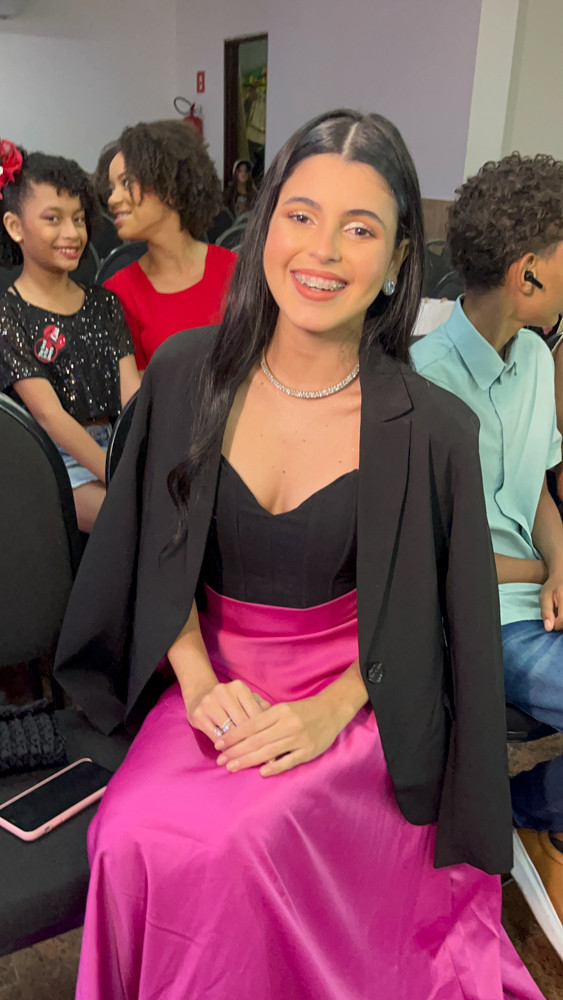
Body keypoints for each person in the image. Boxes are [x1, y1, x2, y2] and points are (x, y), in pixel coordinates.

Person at [54, 111, 544, 999]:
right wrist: (198, 683)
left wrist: (330, 713)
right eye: (301, 215)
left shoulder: (431, 429)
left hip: (361, 692)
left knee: (239, 840)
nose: (321, 251)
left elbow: (430, 617)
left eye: (360, 229)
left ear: (398, 260)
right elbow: (152, 555)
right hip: (212, 674)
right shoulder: (184, 376)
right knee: (130, 837)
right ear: (265, 225)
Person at [411, 153, 563, 950]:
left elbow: (536, 488)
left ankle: (533, 809)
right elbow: (441, 557)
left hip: (539, 591)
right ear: (526, 274)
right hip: (482, 619)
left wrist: (560, 560)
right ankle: (535, 815)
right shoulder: (424, 383)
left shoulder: (534, 358)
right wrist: (543, 573)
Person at [0, 141, 140, 533]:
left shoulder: (104, 303)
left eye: (78, 219)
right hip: (53, 459)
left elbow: (131, 396)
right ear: (15, 226)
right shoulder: (8, 315)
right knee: (134, 519)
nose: (71, 232)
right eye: (53, 218)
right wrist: (119, 475)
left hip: (114, 445)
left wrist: (137, 462)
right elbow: (49, 415)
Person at [104, 120, 238, 371]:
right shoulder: (119, 292)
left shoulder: (236, 269)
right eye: (111, 188)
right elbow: (135, 390)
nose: (112, 199)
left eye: (126, 183)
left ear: (169, 185)